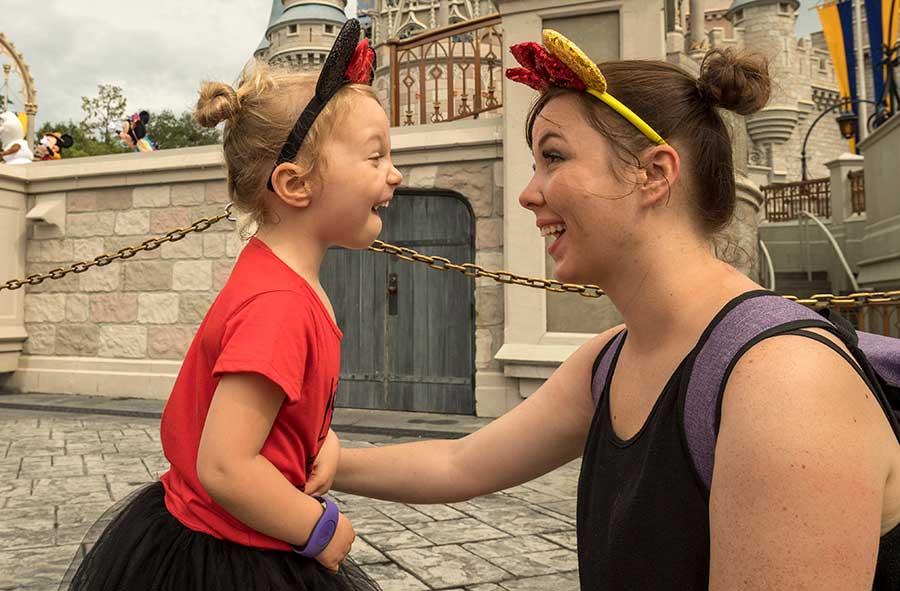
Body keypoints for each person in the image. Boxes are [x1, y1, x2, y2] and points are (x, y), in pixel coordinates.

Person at [323, 30, 900, 589]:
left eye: (554, 158)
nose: (528, 192)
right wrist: (313, 459)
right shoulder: (612, 358)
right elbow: (463, 463)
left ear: (653, 174)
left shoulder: (783, 383)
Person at [62, 19, 400, 591]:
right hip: (234, 555)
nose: (393, 173)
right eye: (374, 158)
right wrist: (321, 530)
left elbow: (272, 419)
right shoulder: (279, 305)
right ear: (295, 185)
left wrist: (322, 442)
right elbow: (226, 465)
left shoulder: (279, 280)